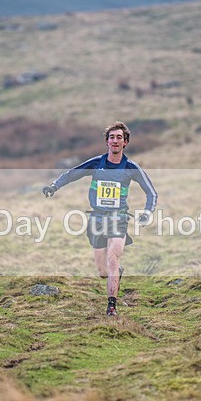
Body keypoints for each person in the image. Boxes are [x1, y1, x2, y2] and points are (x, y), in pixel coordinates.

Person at [42, 121, 157, 317]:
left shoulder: (131, 167)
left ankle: (112, 306)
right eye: (112, 137)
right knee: (103, 271)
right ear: (107, 141)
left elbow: (151, 193)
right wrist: (54, 186)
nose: (115, 141)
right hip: (96, 219)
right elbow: (72, 175)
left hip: (118, 219)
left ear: (125, 142)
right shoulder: (96, 163)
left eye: (119, 137)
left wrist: (147, 212)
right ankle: (115, 274)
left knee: (113, 258)